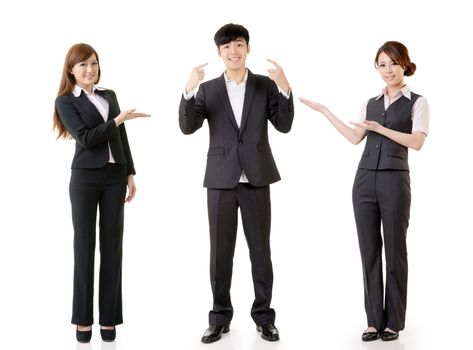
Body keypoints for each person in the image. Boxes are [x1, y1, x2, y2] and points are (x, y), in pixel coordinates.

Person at [300, 41, 429, 342]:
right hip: (363, 182)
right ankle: (374, 320)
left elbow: (417, 142)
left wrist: (381, 129)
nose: (388, 70)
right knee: (369, 251)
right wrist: (325, 111)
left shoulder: (417, 102)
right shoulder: (370, 102)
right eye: (382, 64)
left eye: (393, 63)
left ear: (404, 64)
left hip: (395, 181)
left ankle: (393, 322)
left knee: (395, 250)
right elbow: (355, 137)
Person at [179, 23, 294, 343]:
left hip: (257, 177)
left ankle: (264, 317)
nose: (233, 51)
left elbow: (283, 125)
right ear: (219, 52)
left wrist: (285, 87)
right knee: (220, 252)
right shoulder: (208, 89)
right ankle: (219, 318)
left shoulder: (264, 85)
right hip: (220, 179)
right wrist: (189, 89)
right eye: (227, 46)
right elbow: (188, 127)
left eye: (239, 44)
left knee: (261, 251)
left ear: (248, 48)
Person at [53, 43, 150, 343]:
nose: (89, 69)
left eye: (93, 63)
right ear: (71, 70)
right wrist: (117, 121)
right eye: (82, 65)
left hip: (114, 176)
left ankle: (109, 319)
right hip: (84, 178)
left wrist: (129, 172)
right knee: (84, 247)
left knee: (112, 247)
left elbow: (120, 135)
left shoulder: (109, 96)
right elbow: (85, 138)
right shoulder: (65, 102)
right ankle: (83, 319)